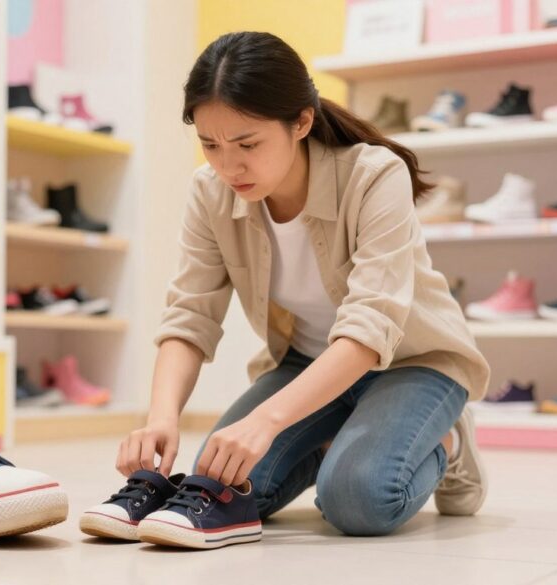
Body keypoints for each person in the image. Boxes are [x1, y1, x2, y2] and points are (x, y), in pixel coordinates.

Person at [117, 31, 491, 536]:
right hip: (306, 363)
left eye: (247, 143)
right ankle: (333, 438)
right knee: (214, 478)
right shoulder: (209, 193)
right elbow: (190, 314)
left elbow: (370, 326)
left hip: (414, 361)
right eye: (210, 144)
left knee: (358, 499)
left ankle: (447, 441)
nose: (228, 165)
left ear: (301, 121)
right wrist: (162, 417)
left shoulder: (373, 176)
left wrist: (268, 422)